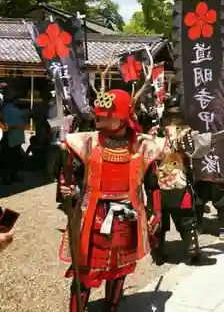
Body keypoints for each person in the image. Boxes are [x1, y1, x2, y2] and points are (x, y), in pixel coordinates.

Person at [58, 88, 164, 312]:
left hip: (128, 217)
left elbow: (152, 182)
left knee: (120, 270)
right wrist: (68, 188)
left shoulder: (142, 146)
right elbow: (70, 174)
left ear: (124, 118)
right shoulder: (87, 142)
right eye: (100, 115)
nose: (100, 120)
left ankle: (112, 308)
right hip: (93, 215)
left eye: (108, 116)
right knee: (85, 271)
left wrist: (157, 212)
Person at [149, 94, 224, 265]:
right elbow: (203, 144)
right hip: (179, 183)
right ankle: (193, 252)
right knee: (187, 219)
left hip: (156, 184)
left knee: (158, 219)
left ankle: (158, 253)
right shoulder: (185, 133)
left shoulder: (154, 132)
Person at [2, 90, 28, 184]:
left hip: (17, 137)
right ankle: (6, 178)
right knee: (8, 159)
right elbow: (4, 124)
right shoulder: (6, 108)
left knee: (15, 158)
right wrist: (18, 126)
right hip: (10, 138)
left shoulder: (14, 108)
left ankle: (13, 176)